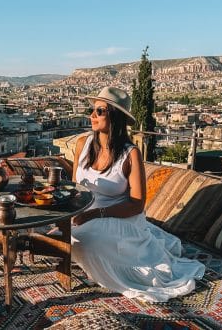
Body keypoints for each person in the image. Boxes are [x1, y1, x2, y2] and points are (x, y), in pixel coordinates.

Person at [70, 86, 205, 302]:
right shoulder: (82, 145)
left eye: (99, 111)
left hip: (118, 217)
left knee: (82, 241)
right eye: (93, 110)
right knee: (56, 234)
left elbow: (136, 204)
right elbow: (74, 186)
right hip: (84, 213)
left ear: (115, 116)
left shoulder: (130, 154)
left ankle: (117, 266)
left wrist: (93, 215)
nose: (92, 116)